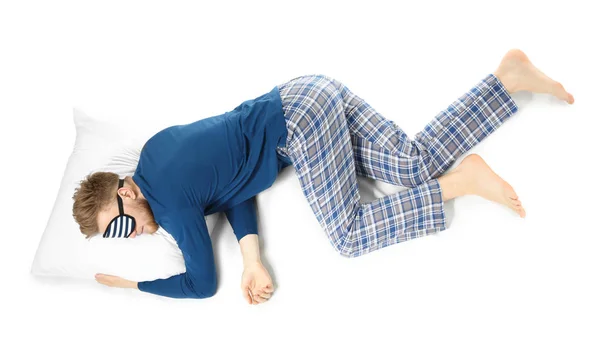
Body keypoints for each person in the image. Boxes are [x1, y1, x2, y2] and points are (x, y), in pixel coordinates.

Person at [71, 49, 574, 304]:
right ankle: (507, 80)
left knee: (349, 236)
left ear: (126, 190)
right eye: (119, 237)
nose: (130, 233)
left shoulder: (171, 204)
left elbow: (202, 284)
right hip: (308, 91)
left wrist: (135, 287)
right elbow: (230, 187)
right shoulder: (159, 154)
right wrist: (253, 259)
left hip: (301, 126)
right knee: (412, 163)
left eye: (120, 223)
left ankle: (461, 182)